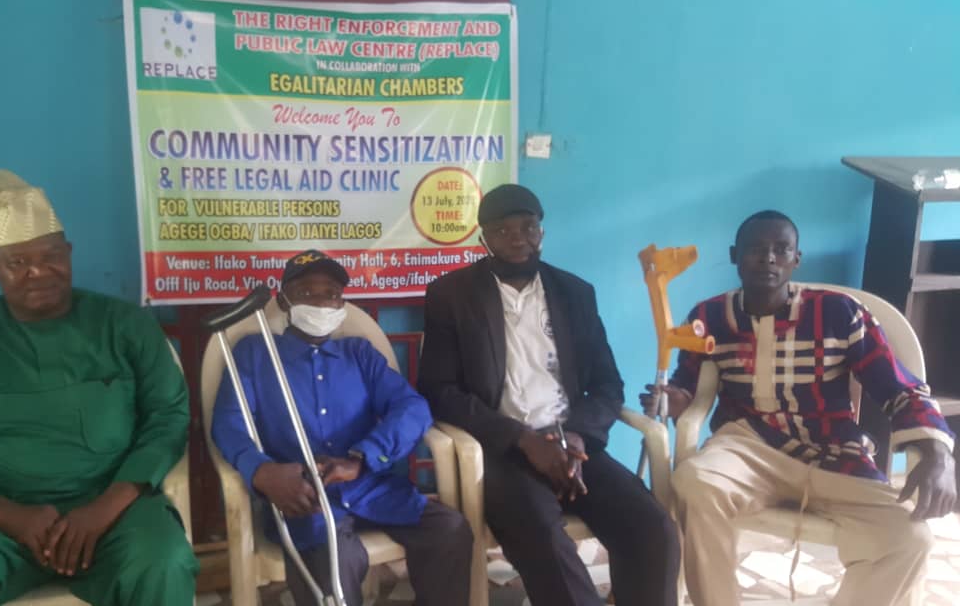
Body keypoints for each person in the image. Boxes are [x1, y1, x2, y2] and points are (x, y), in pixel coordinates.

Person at [0, 169, 198, 606]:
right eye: (17, 262)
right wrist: (9, 514)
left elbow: (168, 418)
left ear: (69, 253)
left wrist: (106, 507)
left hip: (112, 515)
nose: (38, 272)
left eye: (52, 256)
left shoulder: (125, 327)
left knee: (163, 562)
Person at [642, 209, 957, 606]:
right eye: (756, 249)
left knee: (910, 539)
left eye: (780, 249)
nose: (768, 258)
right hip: (748, 446)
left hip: (836, 454)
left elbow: (897, 386)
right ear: (735, 255)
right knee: (695, 482)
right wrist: (670, 399)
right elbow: (688, 388)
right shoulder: (708, 317)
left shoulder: (840, 312)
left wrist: (939, 454)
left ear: (796, 259)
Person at [418, 184, 680, 606]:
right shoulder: (451, 295)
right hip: (503, 451)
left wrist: (574, 437)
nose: (518, 238)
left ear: (542, 231)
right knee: (541, 534)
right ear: (482, 238)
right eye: (503, 230)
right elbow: (439, 390)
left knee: (653, 528)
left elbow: (608, 384)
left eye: (528, 227)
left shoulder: (575, 292)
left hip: (574, 446)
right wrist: (523, 441)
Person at [211, 249, 472, 606]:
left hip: (368, 485)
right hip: (302, 496)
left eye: (331, 293)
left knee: (449, 530)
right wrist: (263, 472)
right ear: (284, 300)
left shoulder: (359, 354)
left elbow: (411, 407)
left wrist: (362, 458)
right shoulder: (254, 354)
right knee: (336, 560)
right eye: (307, 292)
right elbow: (229, 424)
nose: (321, 302)